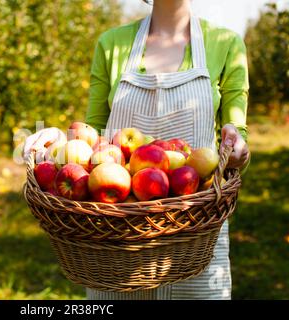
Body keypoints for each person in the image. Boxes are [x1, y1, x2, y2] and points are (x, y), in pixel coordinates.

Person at [23, 0, 250, 299]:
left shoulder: (225, 43)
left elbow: (237, 141)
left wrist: (238, 150)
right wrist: (57, 143)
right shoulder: (111, 44)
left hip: (195, 233)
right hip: (116, 239)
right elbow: (94, 139)